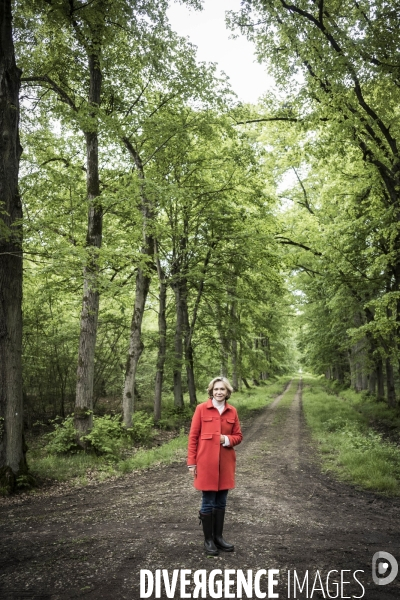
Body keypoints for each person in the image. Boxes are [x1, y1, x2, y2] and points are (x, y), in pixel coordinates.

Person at [187, 376, 243, 555]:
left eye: (222, 389)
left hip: (225, 463)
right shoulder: (201, 409)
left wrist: (225, 439)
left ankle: (218, 538)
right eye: (216, 389)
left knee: (221, 501)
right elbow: (193, 437)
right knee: (208, 501)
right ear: (211, 391)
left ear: (227, 393)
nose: (219, 392)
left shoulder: (232, 411)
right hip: (205, 463)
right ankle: (208, 540)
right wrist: (191, 462)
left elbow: (238, 436)